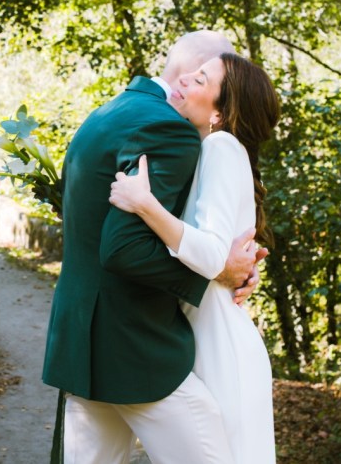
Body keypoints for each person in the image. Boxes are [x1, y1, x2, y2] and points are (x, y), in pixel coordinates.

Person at [42, 31, 266, 464]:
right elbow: (122, 248)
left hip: (84, 341)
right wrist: (218, 275)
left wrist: (224, 257)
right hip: (135, 345)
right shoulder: (168, 128)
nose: (193, 83)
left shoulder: (111, 111)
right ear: (190, 72)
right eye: (202, 74)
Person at [109, 52, 281, 462]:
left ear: (220, 112)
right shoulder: (212, 150)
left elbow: (210, 255)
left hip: (222, 349)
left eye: (201, 80)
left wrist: (146, 204)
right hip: (205, 338)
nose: (184, 80)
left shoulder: (221, 147)